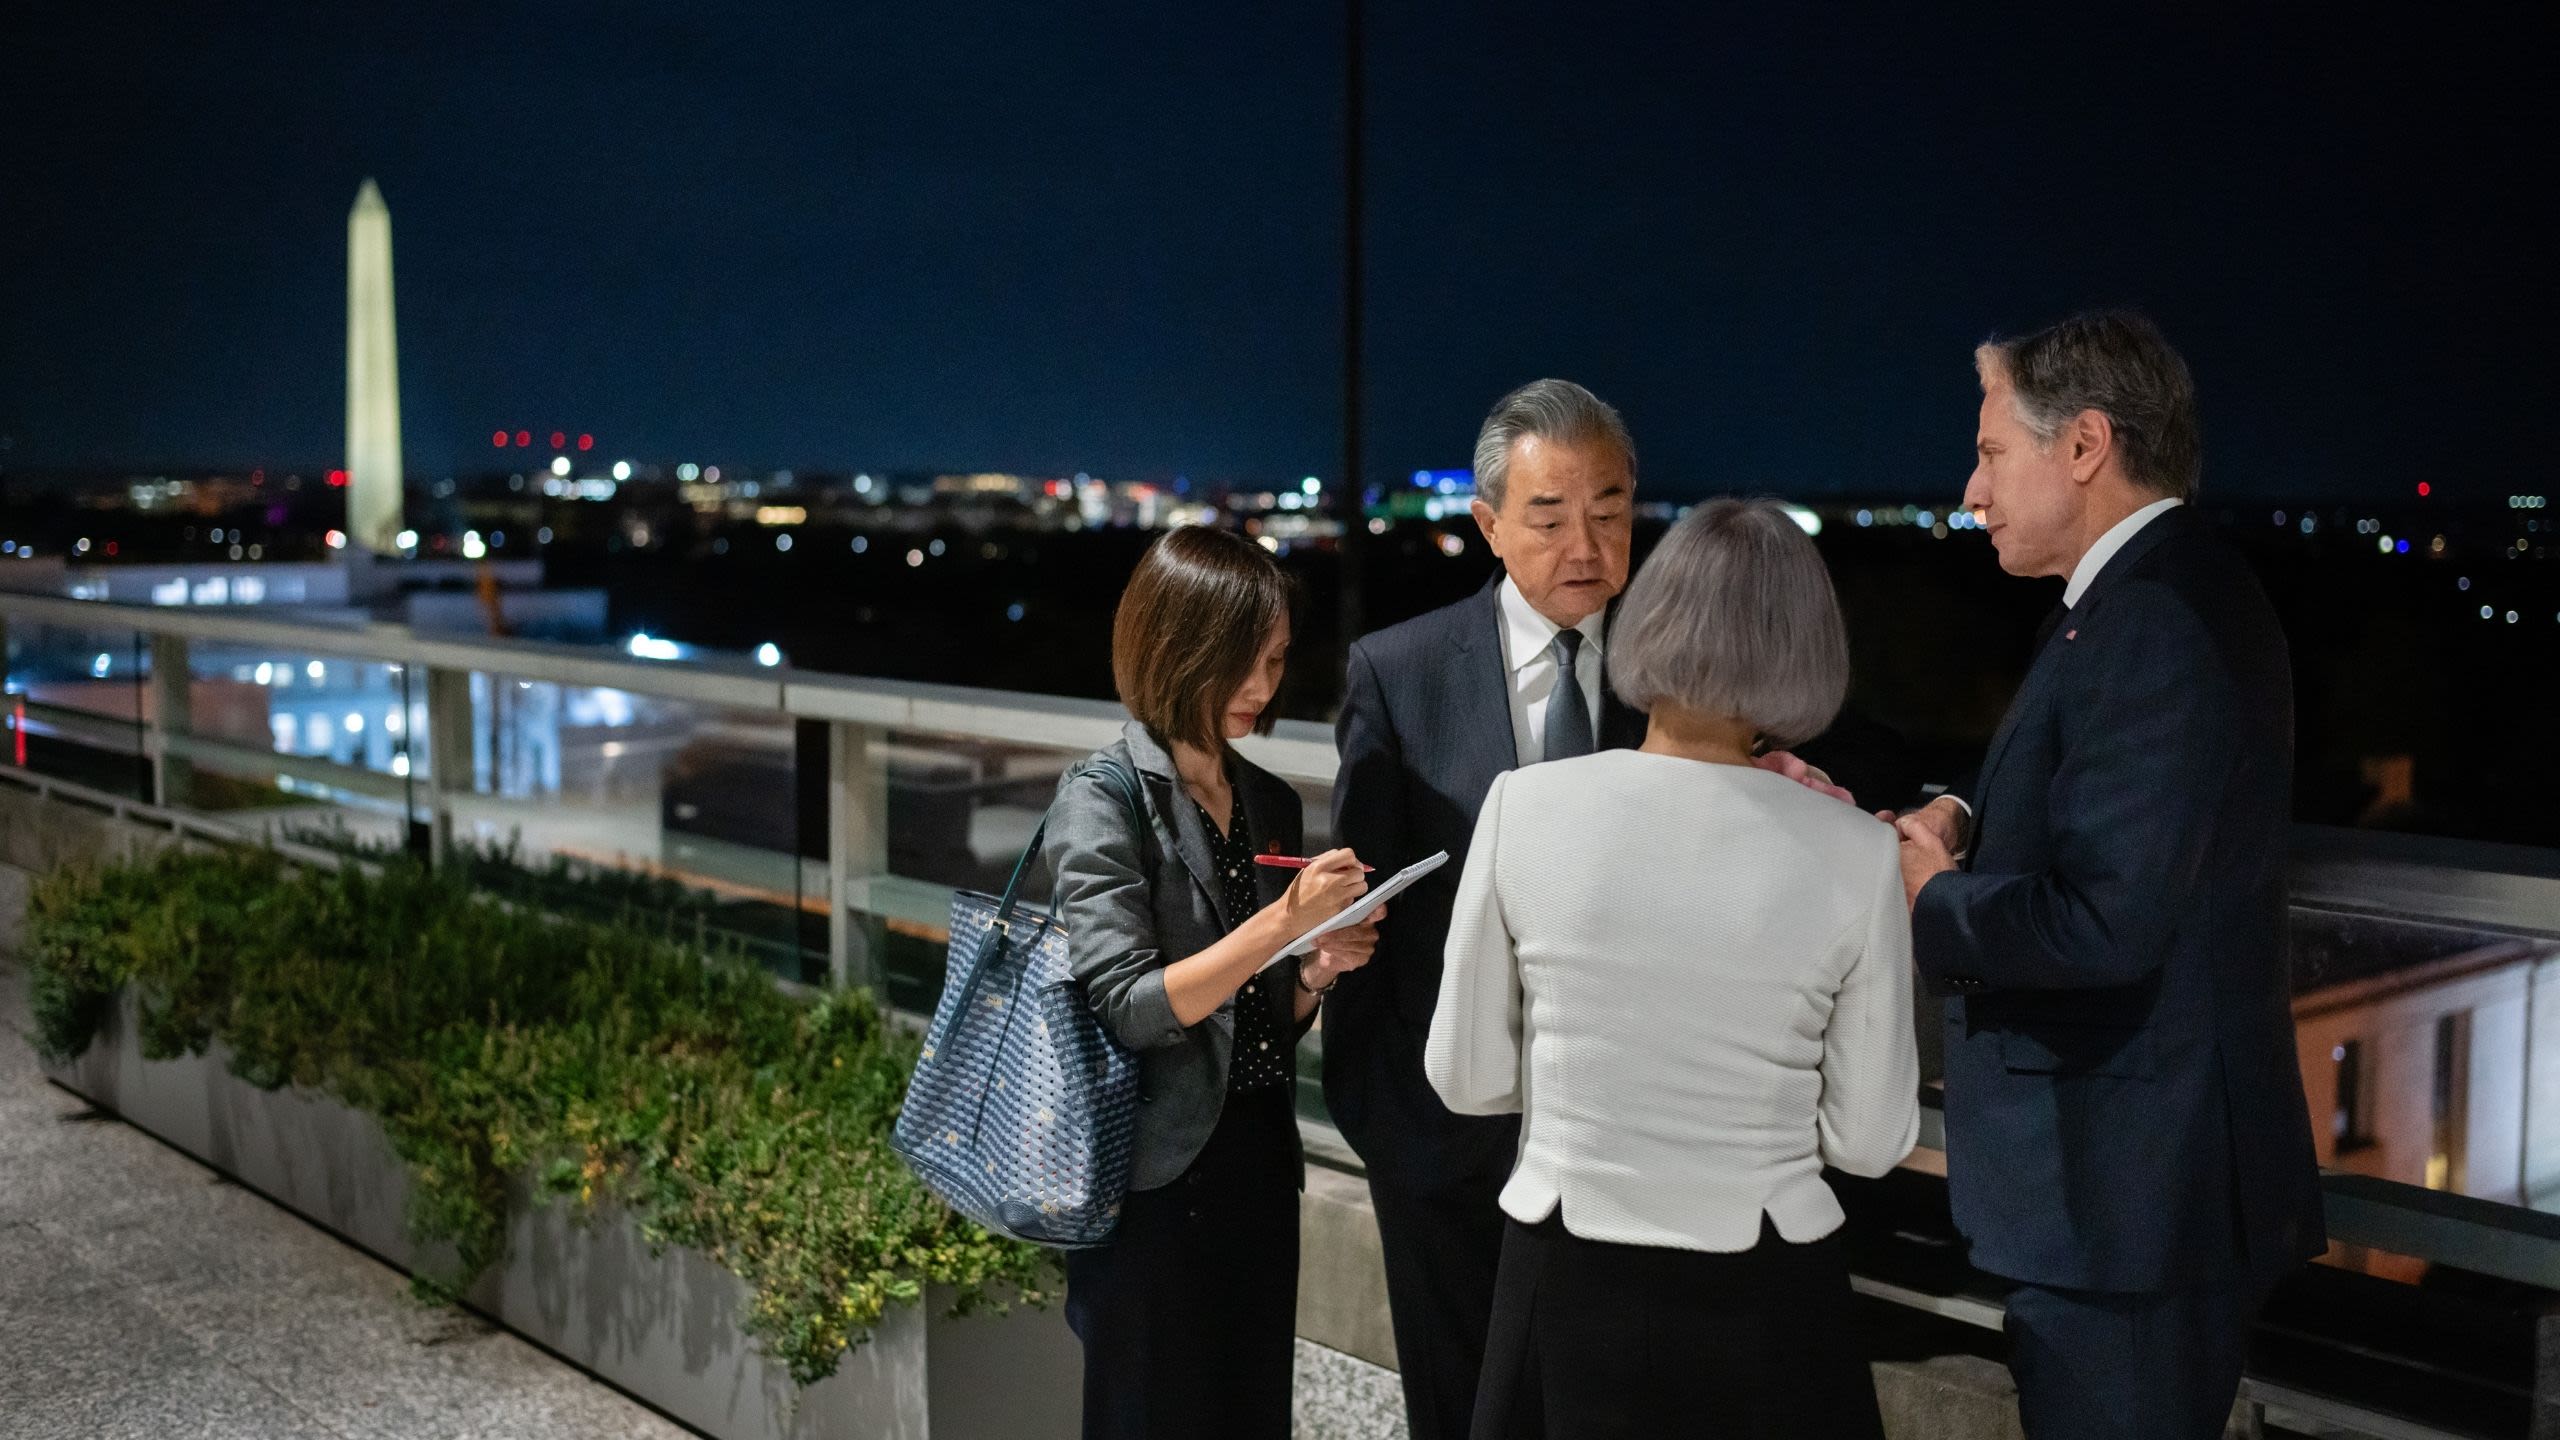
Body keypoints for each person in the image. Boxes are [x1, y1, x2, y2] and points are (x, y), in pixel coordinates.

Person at [1325, 379, 1855, 1440]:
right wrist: (1382, 1119)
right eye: (1549, 516)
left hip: (1635, 1154)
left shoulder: (1691, 678)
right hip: (1441, 1138)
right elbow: (1365, 904)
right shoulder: (1399, 671)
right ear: (1488, 524)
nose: (1586, 546)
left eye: (1609, 512)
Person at [1892, 310, 2325, 1439]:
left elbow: (2104, 921)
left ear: (2084, 445)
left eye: (1991, 453)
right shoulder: (2150, 594)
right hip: (2128, 1204)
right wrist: (1965, 811)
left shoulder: (2152, 619)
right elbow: (2093, 793)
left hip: (2129, 1211)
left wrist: (1937, 900)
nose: (1971, 493)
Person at [1426, 497, 1919, 1439]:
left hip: (1565, 1264)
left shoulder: (1524, 805)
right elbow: (1867, 1139)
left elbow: (1466, 1075)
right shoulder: (1856, 852)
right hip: (1768, 1283)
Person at [1046, 526, 1384, 1440]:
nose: (1262, 687)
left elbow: (1261, 1015)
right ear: (1176, 648)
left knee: (1250, 1411)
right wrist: (1283, 923)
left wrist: (1317, 969)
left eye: (1275, 660)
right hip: (1151, 1178)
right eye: (1241, 660)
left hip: (1258, 1161)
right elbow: (1130, 1006)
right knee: (1149, 1416)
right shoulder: (1105, 796)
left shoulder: (1266, 799)